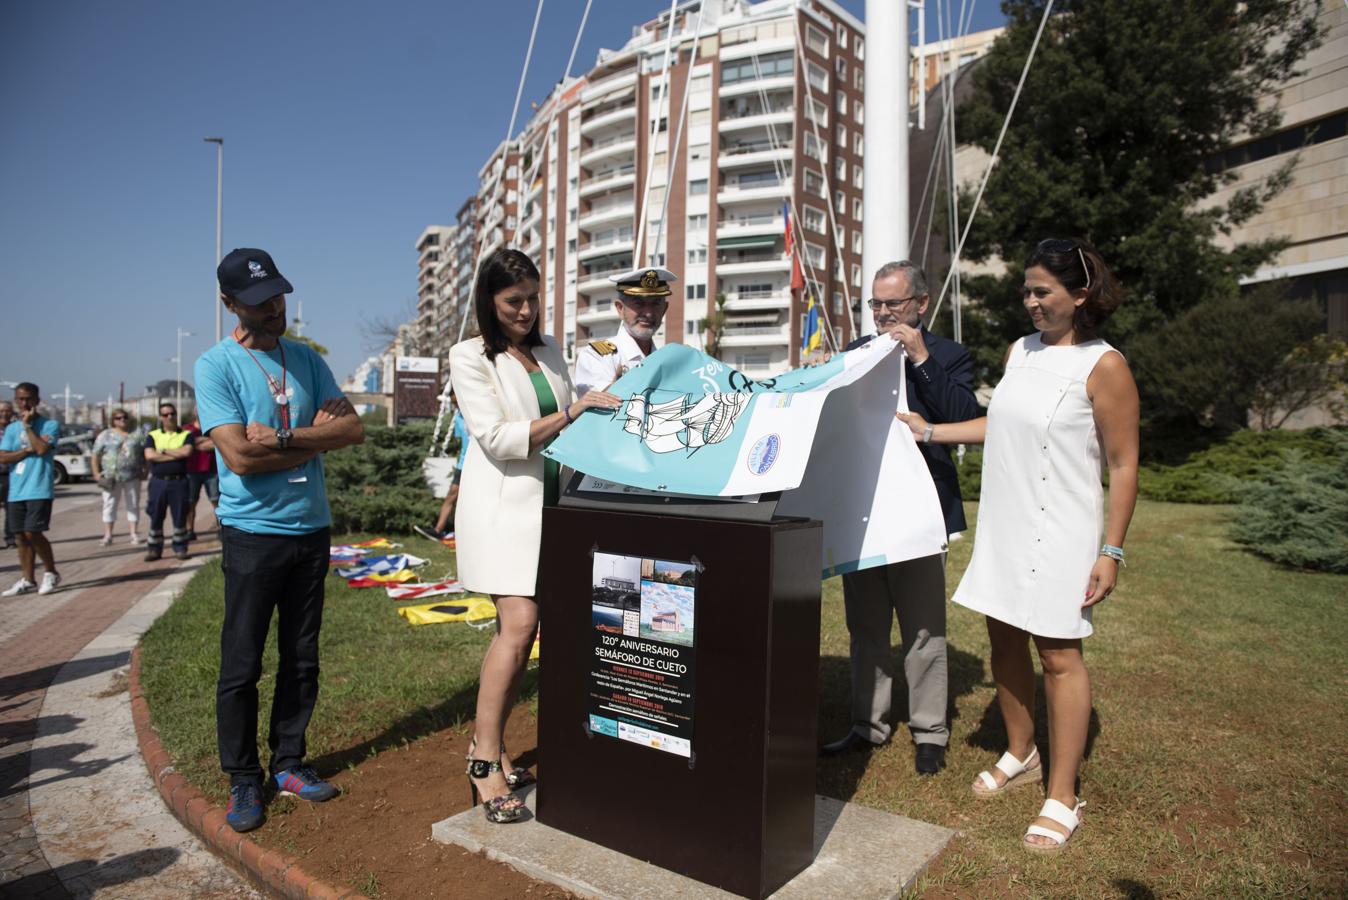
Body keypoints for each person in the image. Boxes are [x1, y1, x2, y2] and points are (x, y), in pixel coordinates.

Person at [896, 239, 1139, 852]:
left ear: (1080, 295)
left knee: (1059, 656)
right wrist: (931, 430)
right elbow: (1000, 420)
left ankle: (1062, 794)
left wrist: (1111, 550)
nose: (1030, 302)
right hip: (1006, 525)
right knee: (1004, 640)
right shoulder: (1020, 351)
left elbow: (1124, 463)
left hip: (1062, 532)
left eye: (1042, 292)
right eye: (1026, 291)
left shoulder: (1104, 365)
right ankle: (1021, 751)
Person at [195, 247, 365, 833]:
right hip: (252, 534)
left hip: (309, 530)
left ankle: (288, 762)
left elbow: (353, 429)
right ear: (229, 304)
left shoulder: (307, 360)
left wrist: (284, 437)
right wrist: (313, 437)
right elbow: (238, 456)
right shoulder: (214, 366)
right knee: (242, 662)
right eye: (259, 301)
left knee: (301, 656)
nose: (274, 308)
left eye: (279, 296)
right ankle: (244, 778)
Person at [448, 248, 620, 823]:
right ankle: (482, 759)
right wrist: (573, 413)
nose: (524, 310)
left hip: (555, 510)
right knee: (520, 625)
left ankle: (494, 744)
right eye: (512, 301)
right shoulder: (469, 356)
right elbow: (497, 438)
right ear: (489, 302)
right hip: (503, 514)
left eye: (531, 298)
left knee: (527, 633)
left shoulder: (548, 352)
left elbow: (576, 422)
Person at [820, 261, 980, 775]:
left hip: (919, 513)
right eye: (876, 304)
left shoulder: (952, 355)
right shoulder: (856, 355)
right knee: (865, 625)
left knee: (923, 628)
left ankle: (930, 731)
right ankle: (868, 724)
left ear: (922, 304)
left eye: (894, 304)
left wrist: (922, 358)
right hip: (862, 509)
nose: (884, 313)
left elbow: (960, 415)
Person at [572, 266, 675, 396]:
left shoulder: (667, 360)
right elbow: (596, 412)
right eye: (639, 304)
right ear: (620, 308)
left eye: (655, 304)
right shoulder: (597, 356)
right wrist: (615, 389)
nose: (648, 313)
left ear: (664, 309)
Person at [0, 383, 62, 595]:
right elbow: (3, 456)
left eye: (28, 399)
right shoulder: (10, 429)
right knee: (19, 536)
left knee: (33, 532)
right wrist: (27, 450)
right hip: (17, 490)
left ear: (37, 399)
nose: (24, 403)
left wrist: (27, 427)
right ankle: (28, 580)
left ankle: (51, 572)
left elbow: (42, 448)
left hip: (39, 488)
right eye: (20, 399)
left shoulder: (50, 425)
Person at [142, 403, 194, 561]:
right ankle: (154, 549)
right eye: (165, 414)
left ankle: (180, 548)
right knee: (156, 515)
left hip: (179, 482)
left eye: (172, 413)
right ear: (160, 417)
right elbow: (149, 455)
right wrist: (175, 454)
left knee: (180, 516)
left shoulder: (186, 434)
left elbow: (187, 452)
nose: (169, 417)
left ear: (176, 414)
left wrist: (162, 451)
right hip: (158, 482)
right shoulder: (153, 435)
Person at [415, 396, 468, 543]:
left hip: (478, 464)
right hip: (462, 464)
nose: (457, 406)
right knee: (452, 495)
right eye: (455, 404)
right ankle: (438, 530)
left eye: (458, 402)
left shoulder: (476, 415)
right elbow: (460, 441)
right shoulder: (458, 417)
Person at [91, 408, 147, 545]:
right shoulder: (105, 435)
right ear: (113, 420)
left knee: (133, 504)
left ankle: (134, 533)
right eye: (118, 418)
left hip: (132, 475)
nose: (122, 420)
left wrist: (146, 470)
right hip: (111, 476)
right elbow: (95, 454)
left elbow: (144, 453)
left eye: (125, 417)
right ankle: (108, 534)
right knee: (109, 504)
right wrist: (96, 472)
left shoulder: (137, 434)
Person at [185, 414, 220, 541]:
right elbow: (190, 444)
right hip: (192, 470)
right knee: (190, 502)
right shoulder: (187, 429)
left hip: (212, 470)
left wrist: (199, 441)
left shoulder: (214, 426)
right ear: (195, 413)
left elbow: (218, 443)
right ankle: (190, 530)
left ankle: (220, 529)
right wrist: (209, 440)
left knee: (216, 501)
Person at [0, 401, 15, 549]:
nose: (4, 413)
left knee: (10, 507)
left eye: (7, 411)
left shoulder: (15, 429)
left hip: (10, 473)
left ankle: (11, 538)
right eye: (1, 410)